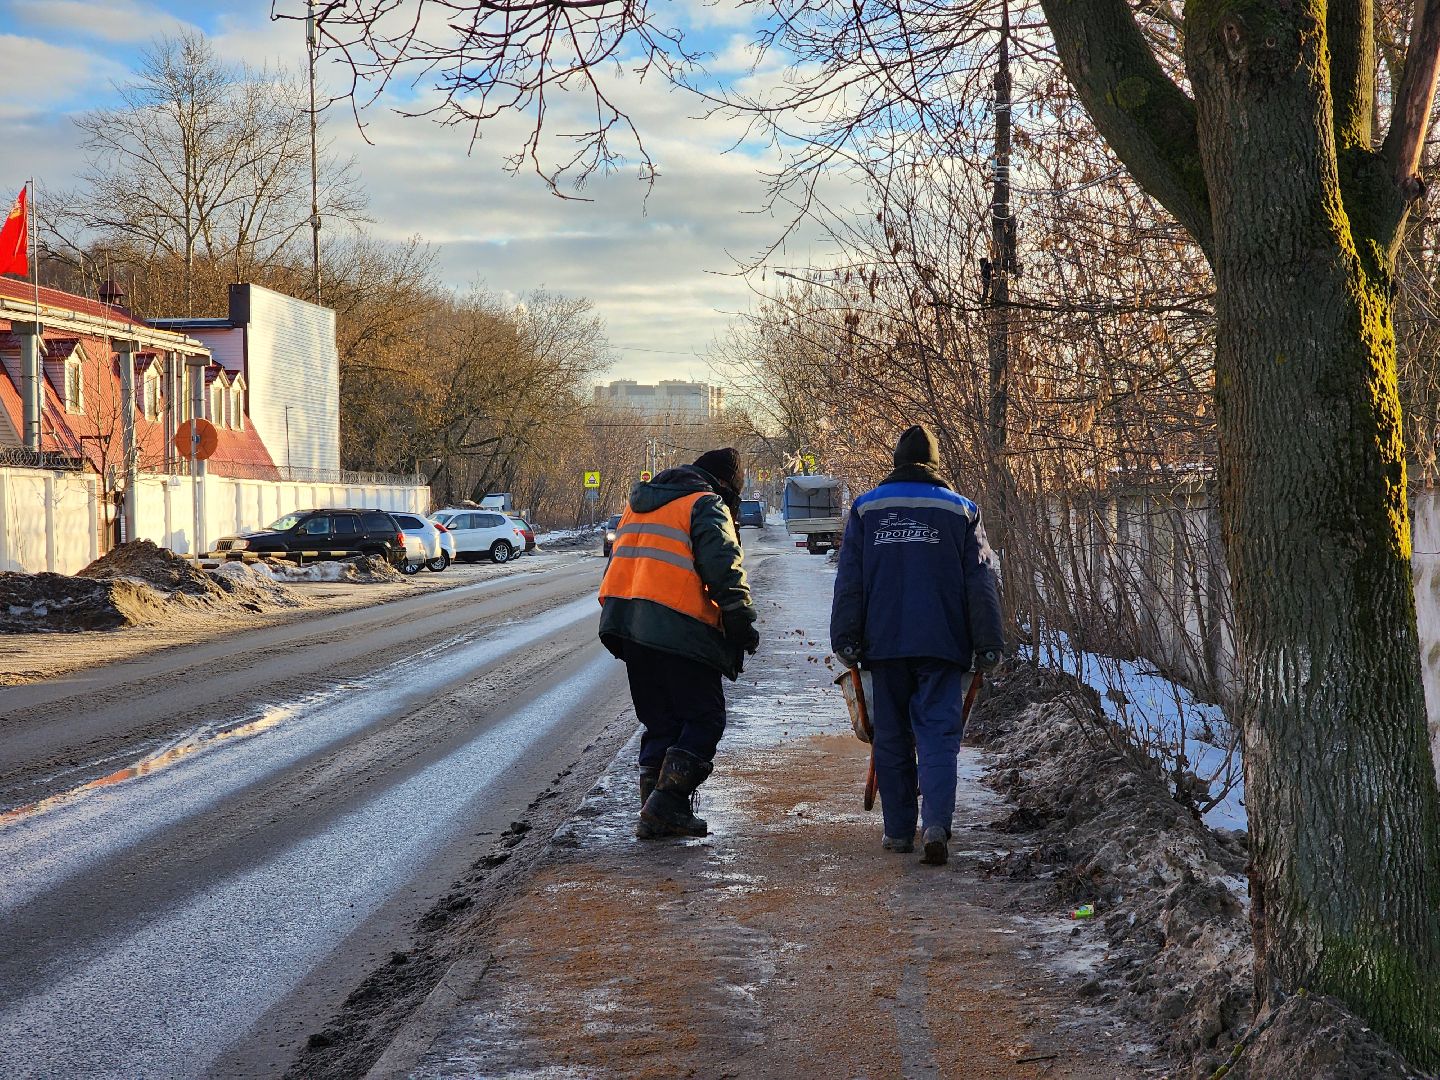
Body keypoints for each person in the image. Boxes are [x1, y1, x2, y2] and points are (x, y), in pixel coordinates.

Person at [830, 425, 1004, 865]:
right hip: (944, 643)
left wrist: (846, 637)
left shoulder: (867, 508)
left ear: (897, 462)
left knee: (890, 736)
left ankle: (897, 832)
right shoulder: (962, 510)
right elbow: (980, 581)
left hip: (884, 643)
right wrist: (988, 642)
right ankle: (937, 825)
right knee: (938, 736)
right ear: (934, 464)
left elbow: (850, 579)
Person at [599, 447, 760, 839]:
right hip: (677, 626)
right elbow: (724, 570)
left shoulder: (639, 504)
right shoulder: (704, 503)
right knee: (705, 718)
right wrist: (742, 623)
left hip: (627, 626)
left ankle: (653, 812)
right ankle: (666, 805)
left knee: (661, 721)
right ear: (725, 484)